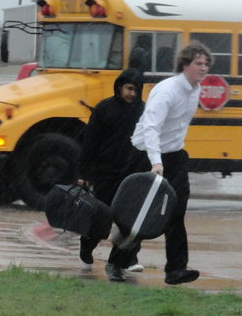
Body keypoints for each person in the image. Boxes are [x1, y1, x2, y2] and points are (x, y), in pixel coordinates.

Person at [105, 41, 211, 285]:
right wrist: (155, 161)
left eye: (206, 64)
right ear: (185, 65)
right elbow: (152, 127)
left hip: (174, 156)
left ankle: (175, 270)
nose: (203, 68)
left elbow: (178, 125)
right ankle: (116, 261)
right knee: (139, 213)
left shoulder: (195, 88)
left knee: (176, 212)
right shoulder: (167, 91)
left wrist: (172, 156)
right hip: (146, 154)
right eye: (198, 63)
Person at [75, 68, 146, 278]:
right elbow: (90, 143)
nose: (132, 94)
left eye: (136, 90)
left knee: (131, 220)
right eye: (129, 88)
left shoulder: (144, 111)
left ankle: (125, 257)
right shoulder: (104, 109)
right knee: (101, 216)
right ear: (120, 87)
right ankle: (87, 244)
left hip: (132, 174)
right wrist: (84, 173)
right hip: (106, 172)